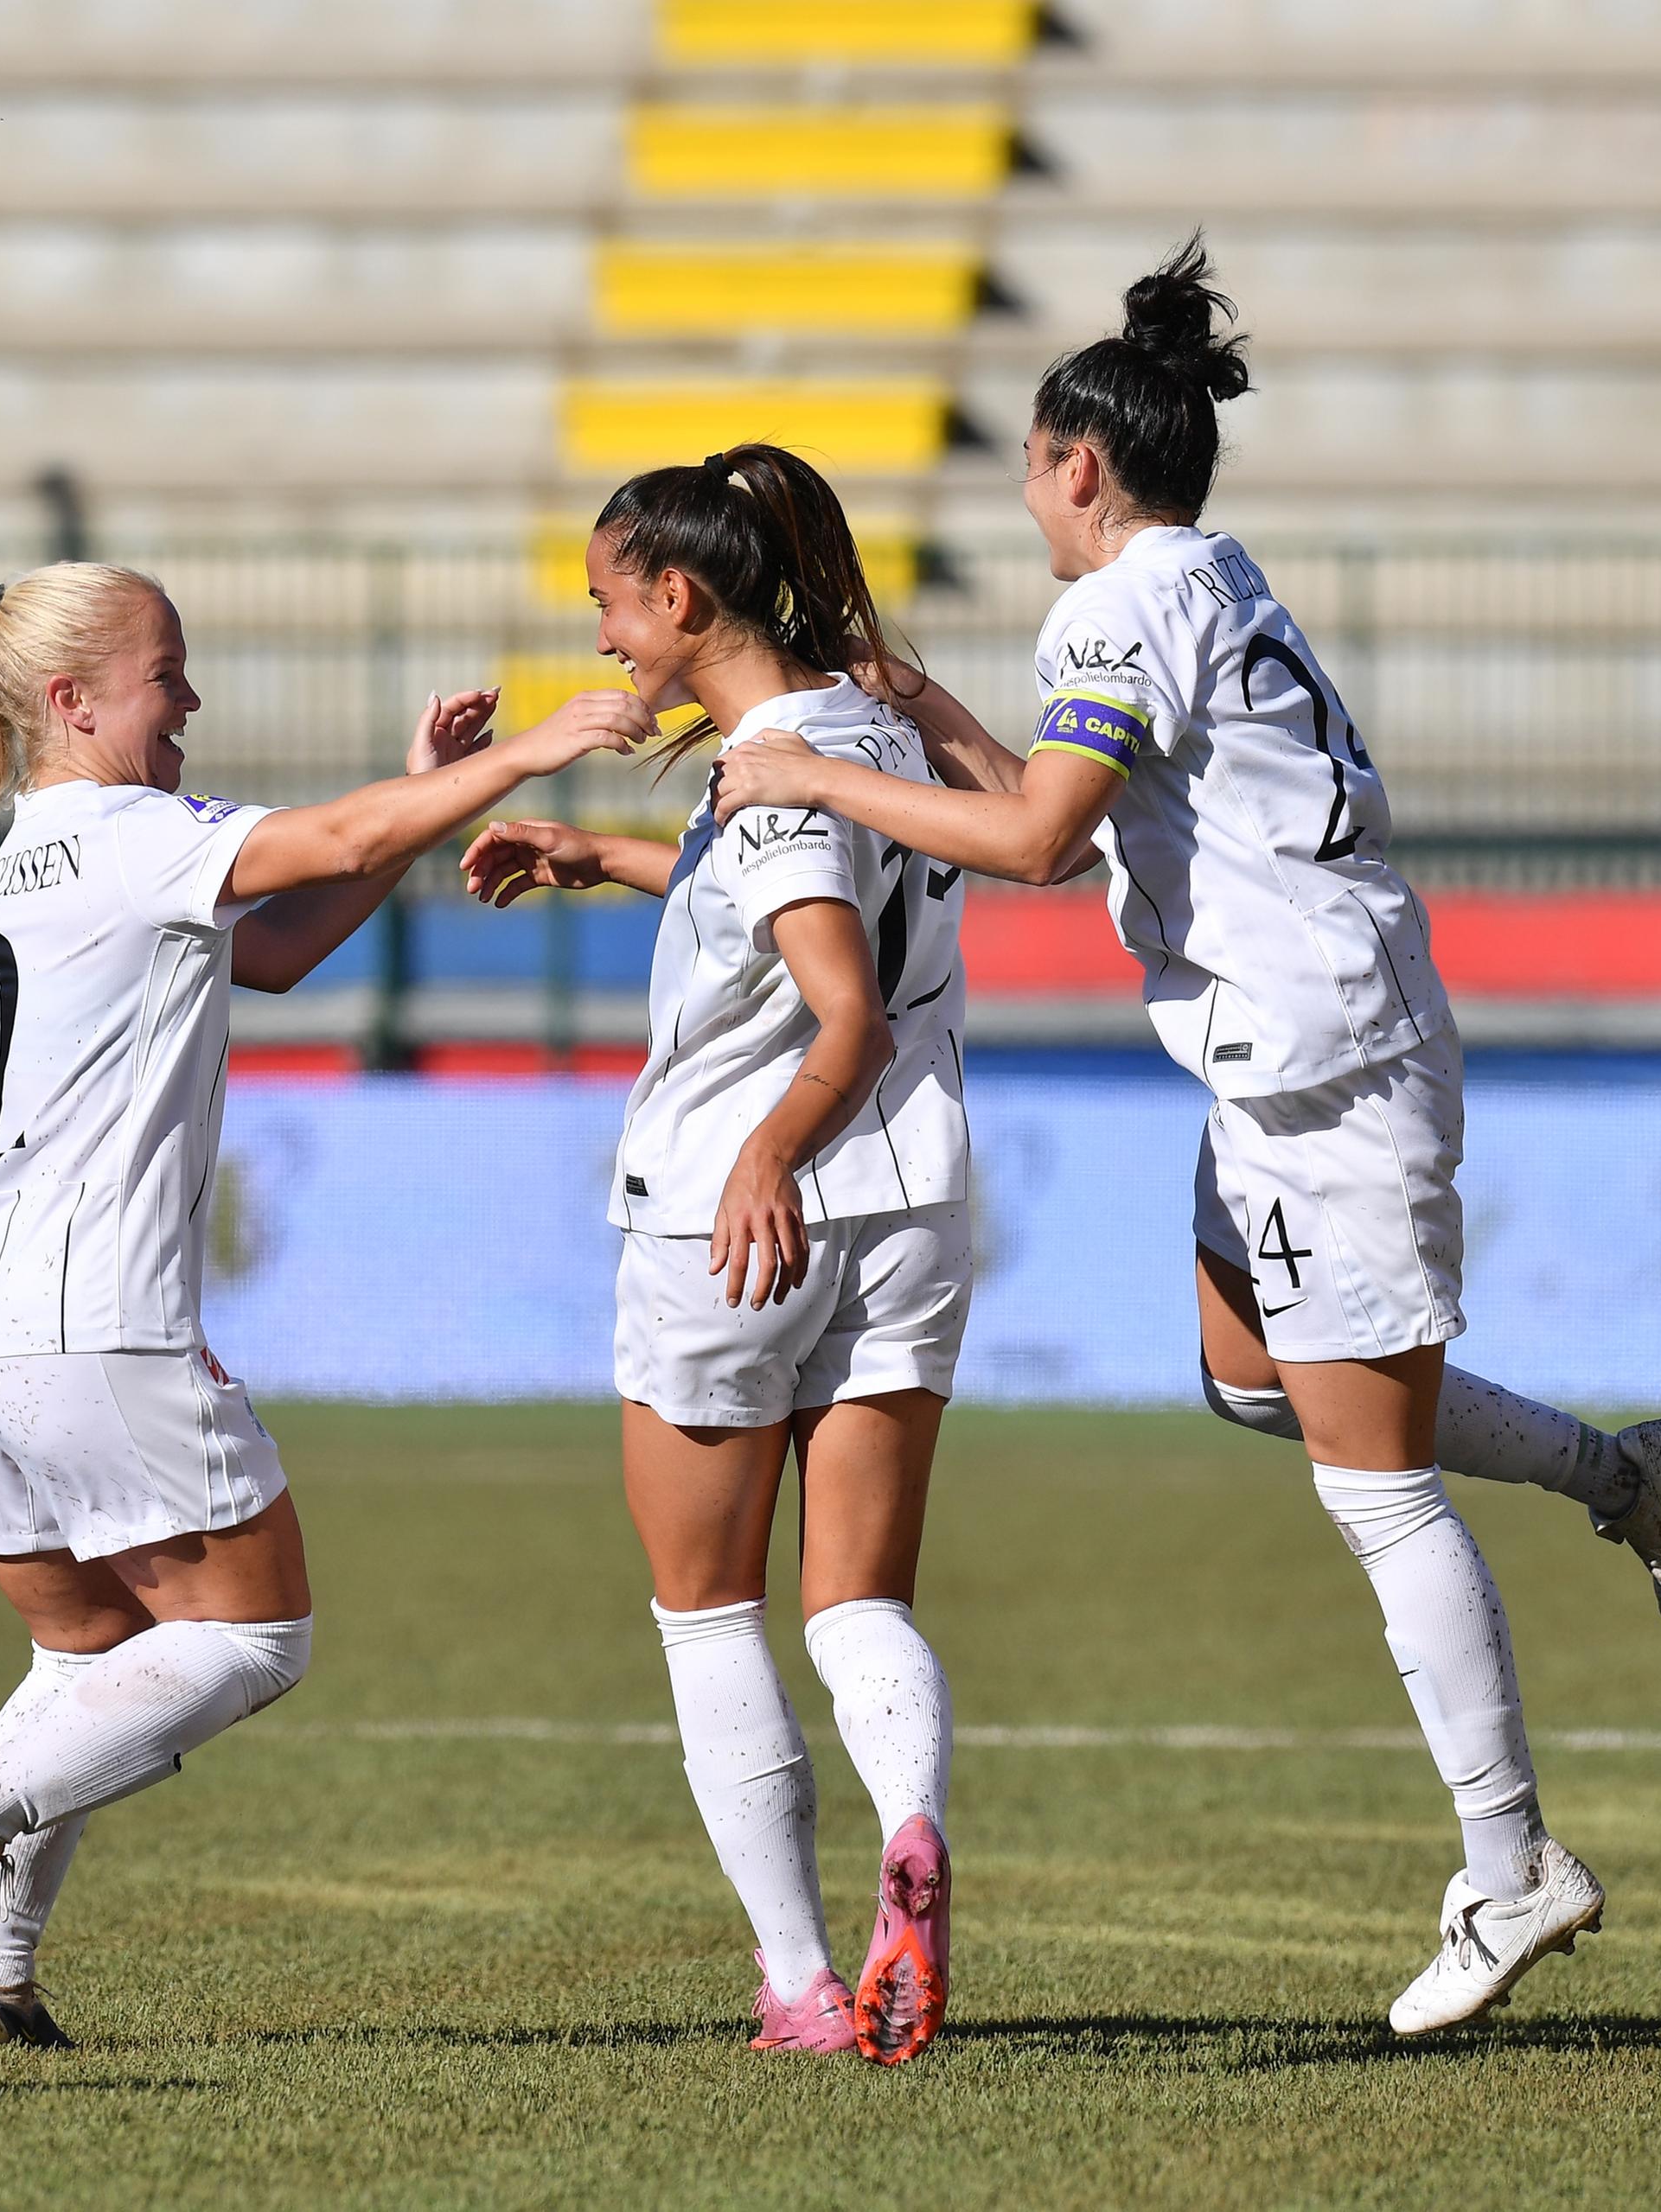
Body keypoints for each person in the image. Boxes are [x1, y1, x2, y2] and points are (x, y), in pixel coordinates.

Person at [712, 242, 1661, 2037]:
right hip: (1301, 1052)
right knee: (1257, 1378)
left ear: (1081, 465)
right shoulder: (1203, 573)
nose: (1027, 495)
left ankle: (1513, 1865)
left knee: (1372, 1481)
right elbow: (1063, 800)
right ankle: (1617, 1477)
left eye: (1031, 465)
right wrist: (912, 691)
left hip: (1319, 1069)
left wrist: (811, 769)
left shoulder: (1109, 613)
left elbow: (1027, 845)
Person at [0, 559, 648, 2047]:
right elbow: (331, 835)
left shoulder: (47, 844)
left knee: (88, 1658)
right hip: (91, 1314)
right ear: (75, 702)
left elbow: (272, 952)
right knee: (255, 1638)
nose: (193, 702)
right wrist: (525, 756)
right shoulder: (128, 830)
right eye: (170, 676)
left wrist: (439, 793)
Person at [456, 445, 971, 2063]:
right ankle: (912, 1819)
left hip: (740, 1217)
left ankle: (804, 1983)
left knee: (703, 1610)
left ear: (680, 596)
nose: (604, 632)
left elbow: (839, 1003)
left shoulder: (766, 768)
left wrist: (762, 1152)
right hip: (918, 1202)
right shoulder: (878, 722)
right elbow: (831, 914)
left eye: (611, 602)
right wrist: (603, 857)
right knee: (858, 1598)